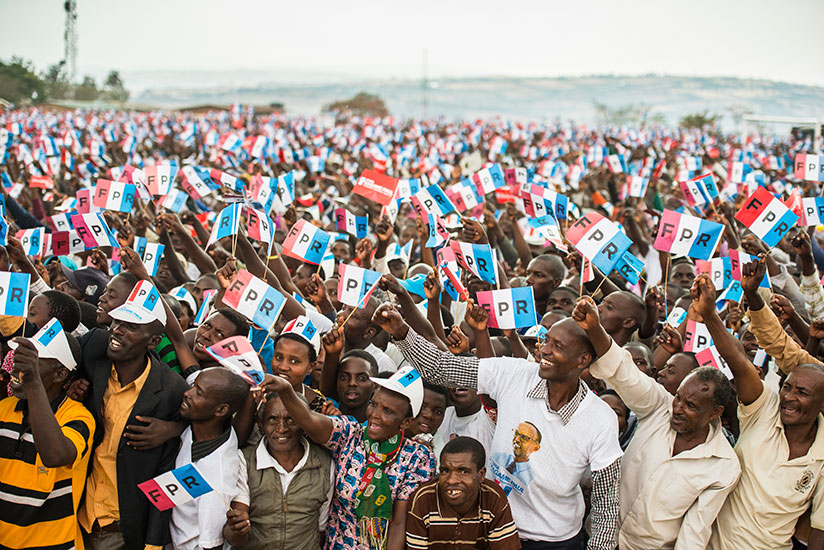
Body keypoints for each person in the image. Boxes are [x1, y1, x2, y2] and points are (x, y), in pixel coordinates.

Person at [377, 303, 622, 549]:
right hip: (489, 529)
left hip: (552, 541)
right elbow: (442, 368)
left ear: (583, 360)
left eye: (557, 346)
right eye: (546, 341)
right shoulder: (513, 373)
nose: (544, 351)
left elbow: (606, 504)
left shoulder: (600, 419)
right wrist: (400, 331)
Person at [573, 296, 740, 549]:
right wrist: (594, 328)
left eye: (692, 406)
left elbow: (694, 532)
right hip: (599, 537)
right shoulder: (659, 406)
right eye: (679, 399)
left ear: (716, 412)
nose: (679, 409)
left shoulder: (723, 467)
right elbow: (623, 371)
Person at [689, 271, 824, 550]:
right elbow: (741, 363)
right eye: (788, 387)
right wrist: (711, 314)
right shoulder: (766, 406)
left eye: (802, 393)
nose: (789, 397)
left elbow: (819, 530)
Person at [259, 365, 435, 550]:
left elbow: (399, 524)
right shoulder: (350, 433)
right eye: (373, 404)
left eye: (388, 411)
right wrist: (286, 390)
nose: (375, 415)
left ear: (406, 422)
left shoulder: (418, 458)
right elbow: (310, 421)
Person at [78, 281, 189, 550]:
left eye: (131, 327)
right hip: (75, 520)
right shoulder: (94, 346)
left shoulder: (171, 390)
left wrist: (175, 428)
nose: (117, 331)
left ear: (153, 341)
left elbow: (170, 471)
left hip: (123, 531)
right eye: (117, 322)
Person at [0, 322, 92, 550]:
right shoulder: (4, 409)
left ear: (60, 374)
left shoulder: (78, 417)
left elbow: (55, 455)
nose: (16, 369)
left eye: (32, 363)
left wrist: (32, 383)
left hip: (53, 544)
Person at [229, 393, 334, 550]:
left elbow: (320, 528)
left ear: (304, 422)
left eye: (291, 419)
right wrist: (238, 529)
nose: (282, 429)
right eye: (272, 419)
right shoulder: (245, 461)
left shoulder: (324, 464)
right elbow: (236, 535)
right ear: (260, 424)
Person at [171, 367, 250, 550]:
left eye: (198, 392)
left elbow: (211, 545)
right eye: (193, 386)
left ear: (221, 410)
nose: (187, 393)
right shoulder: (205, 429)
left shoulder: (217, 477)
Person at [406, 436, 521, 550]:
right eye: (445, 471)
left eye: (463, 471)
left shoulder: (493, 497)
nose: (451, 480)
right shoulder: (423, 499)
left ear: (481, 474)